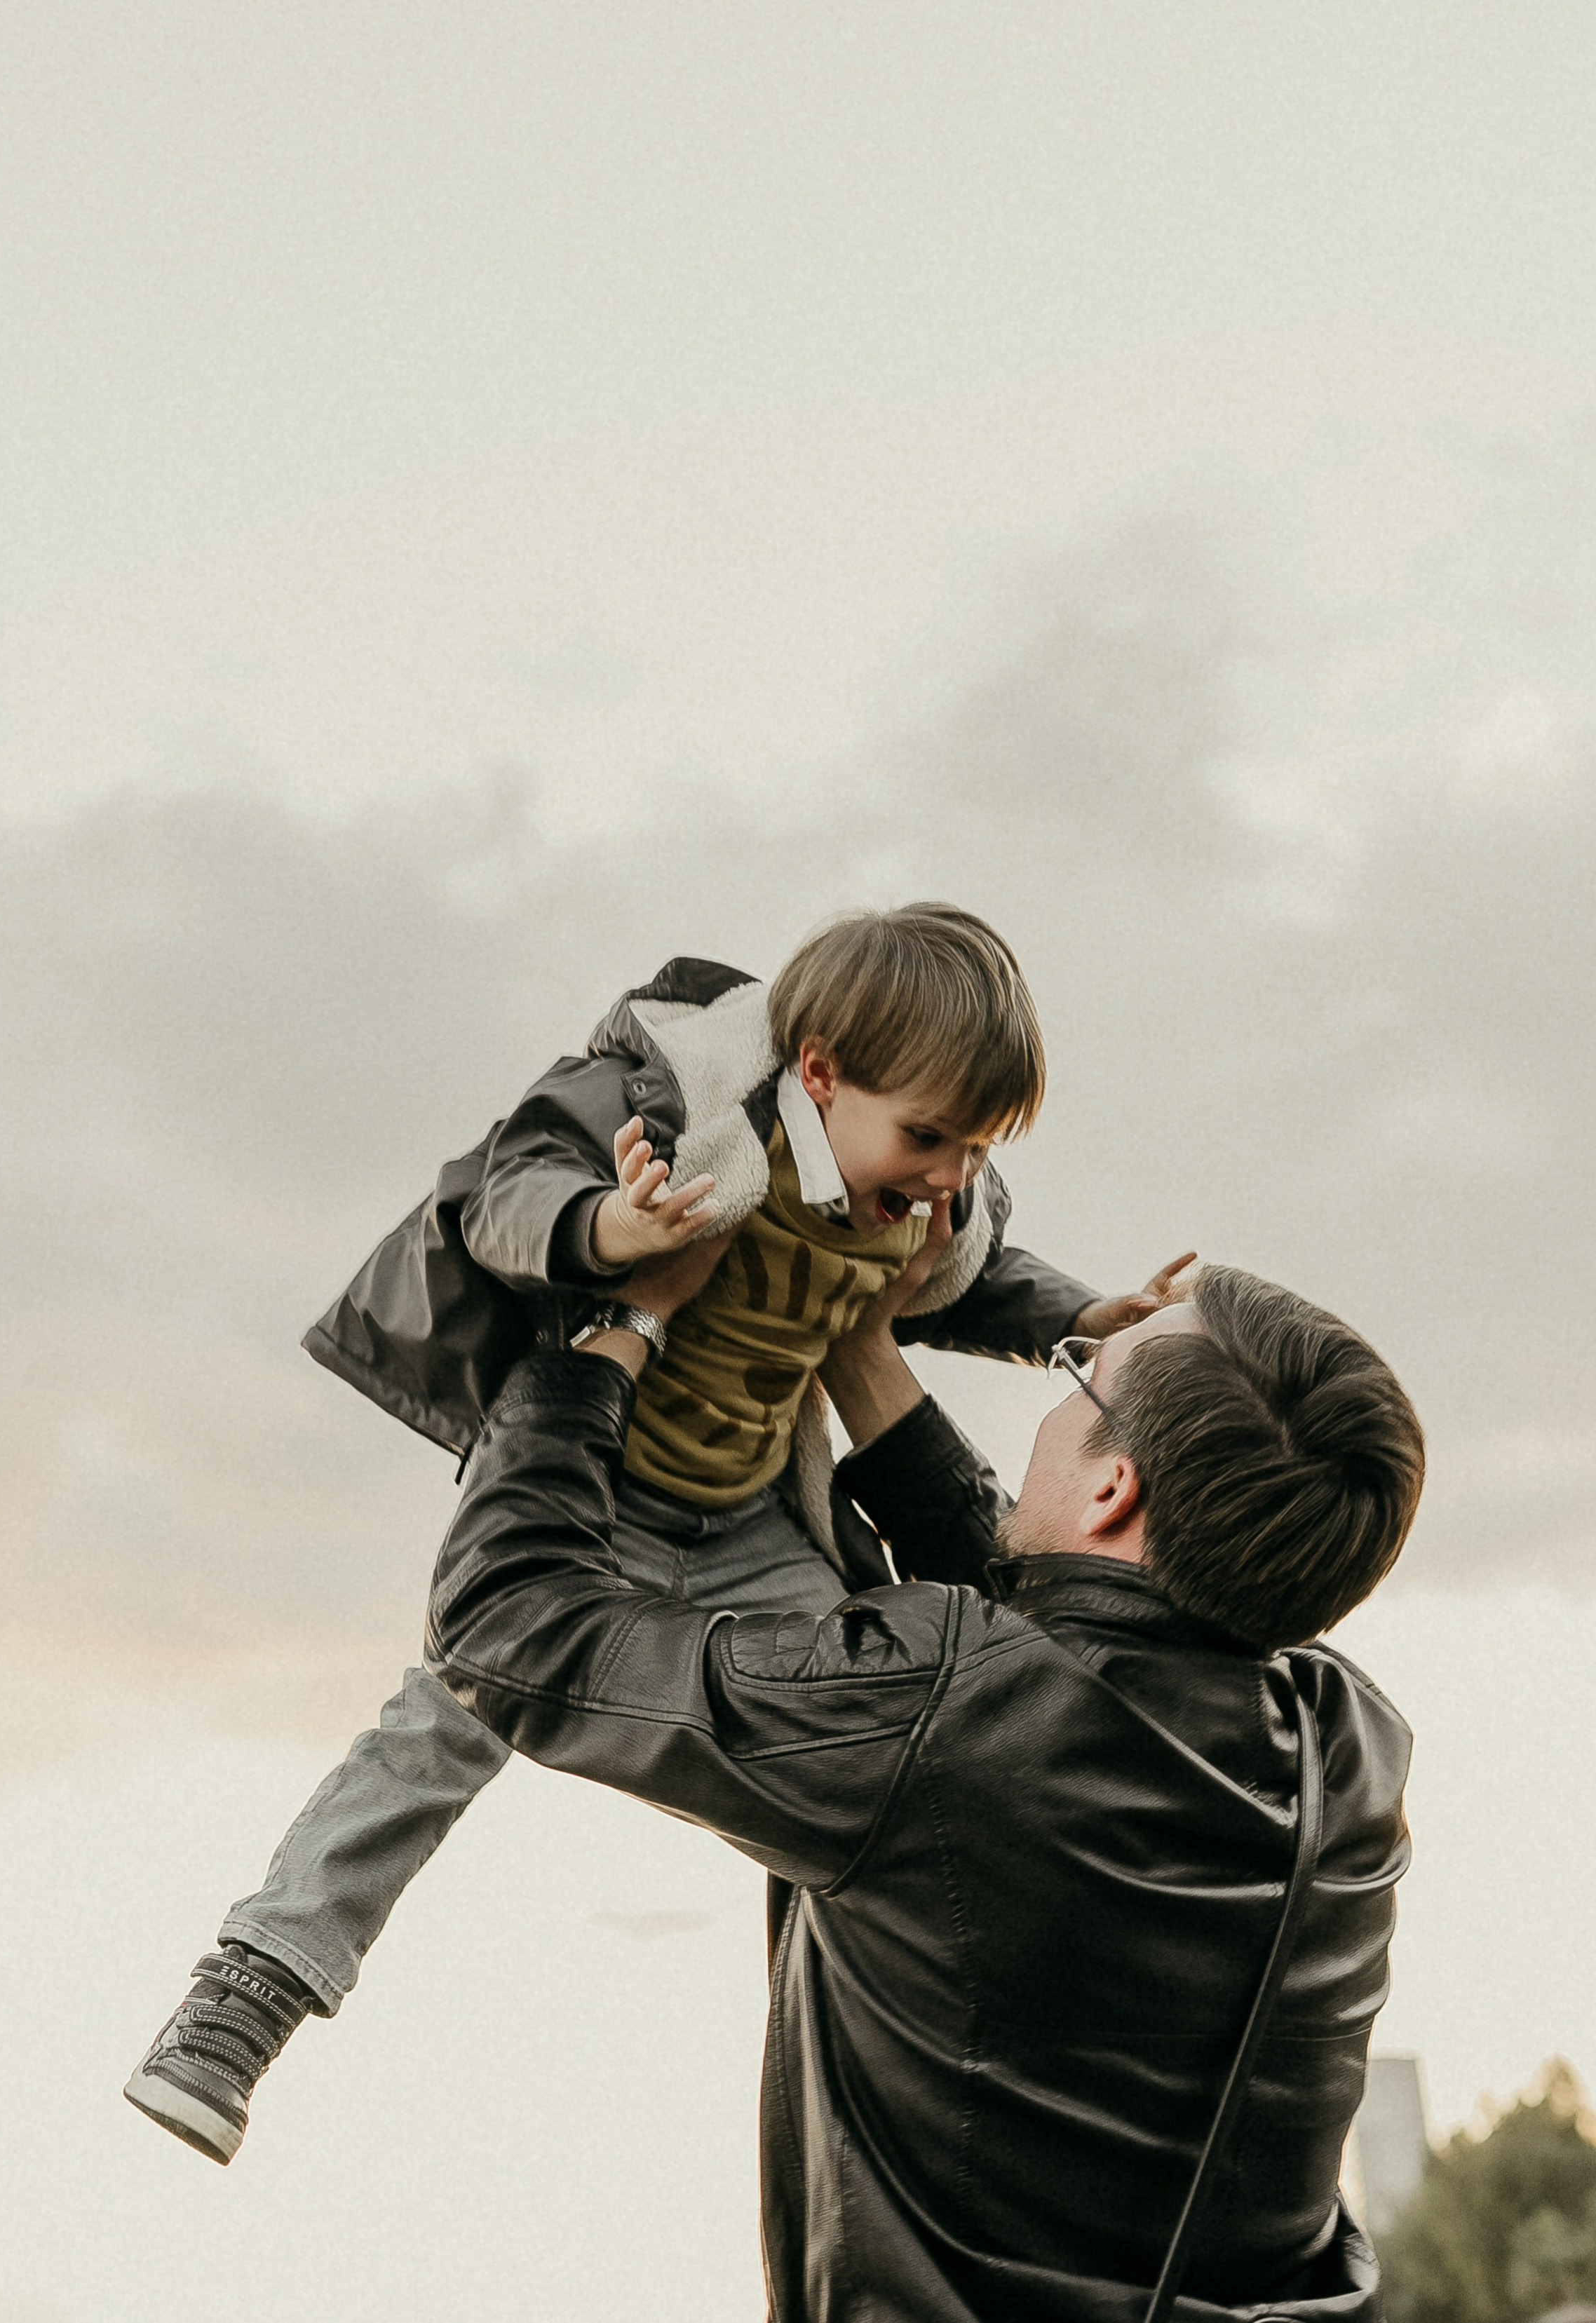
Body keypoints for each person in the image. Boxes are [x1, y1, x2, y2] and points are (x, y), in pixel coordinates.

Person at [126, 905, 1190, 2162]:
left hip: (753, 1519)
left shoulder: (925, 1197)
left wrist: (1083, 1316)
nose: (952, 1173)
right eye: (929, 1137)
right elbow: (508, 1192)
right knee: (449, 1718)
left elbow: (977, 1280)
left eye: (977, 1145)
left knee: (877, 1737)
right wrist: (616, 1226)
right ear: (821, 1073)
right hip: (592, 1497)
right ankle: (248, 1992)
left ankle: (941, 2047)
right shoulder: (680, 1104)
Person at [424, 1229, 1425, 2322]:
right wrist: (860, 1346)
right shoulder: (1351, 1750)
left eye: (1081, 1377)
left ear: (1113, 1487)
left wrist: (621, 1324)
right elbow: (1073, 1641)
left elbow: (505, 1625)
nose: (1057, 1400)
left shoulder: (940, 1711)